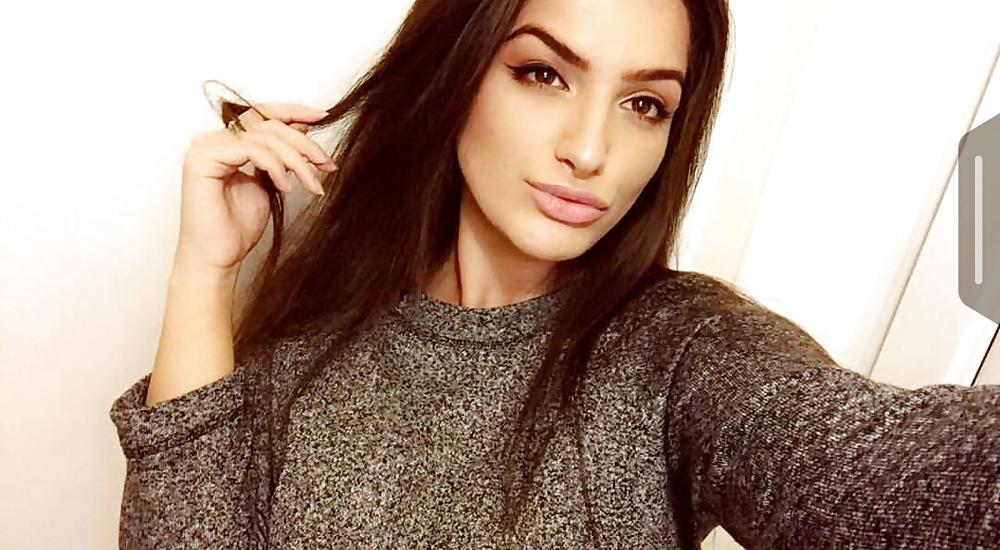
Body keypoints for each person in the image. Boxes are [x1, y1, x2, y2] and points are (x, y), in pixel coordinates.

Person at [108, 0, 1000, 548]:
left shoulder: (680, 353)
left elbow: (881, 471)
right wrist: (203, 273)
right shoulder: (315, 337)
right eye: (543, 74)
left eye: (644, 103)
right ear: (457, 76)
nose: (590, 149)